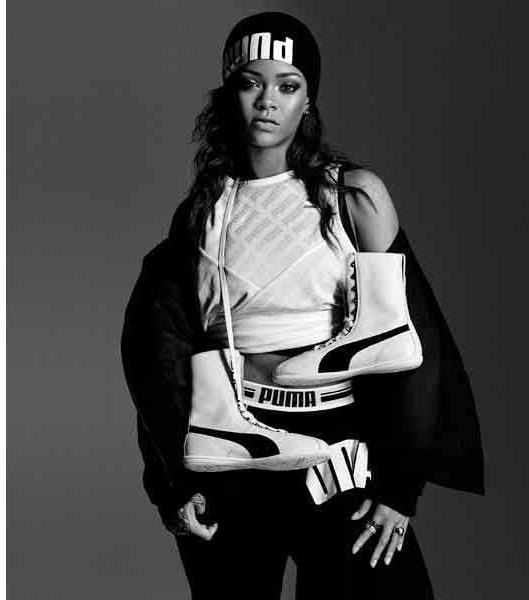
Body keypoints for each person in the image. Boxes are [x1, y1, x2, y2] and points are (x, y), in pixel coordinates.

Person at [121, 11, 484, 599]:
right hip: (234, 448)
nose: (268, 101)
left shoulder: (352, 196)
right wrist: (174, 487)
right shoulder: (200, 215)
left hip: (337, 450)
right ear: (229, 92)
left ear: (307, 99)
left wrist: (399, 487)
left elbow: (413, 343)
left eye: (287, 86)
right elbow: (159, 358)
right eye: (251, 82)